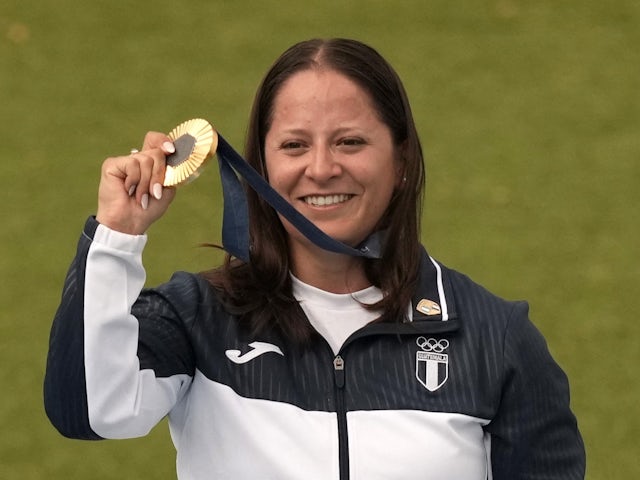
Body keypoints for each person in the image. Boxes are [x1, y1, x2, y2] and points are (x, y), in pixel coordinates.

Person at [44, 38, 585, 479]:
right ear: (260, 169)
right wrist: (117, 235)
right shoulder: (199, 318)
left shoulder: (494, 338)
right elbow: (90, 411)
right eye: (295, 146)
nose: (322, 169)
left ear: (401, 161)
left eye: (350, 142)